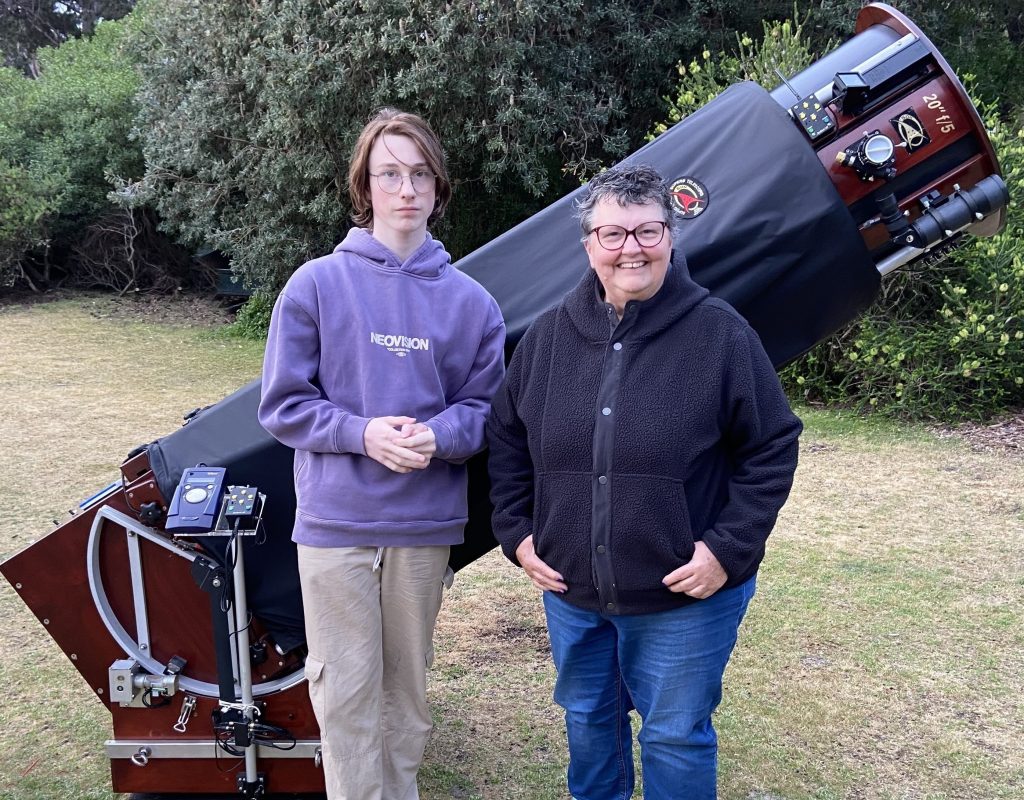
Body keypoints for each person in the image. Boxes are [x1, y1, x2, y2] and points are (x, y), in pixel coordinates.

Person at [486, 163, 801, 800]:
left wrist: (727, 550)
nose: (631, 248)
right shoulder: (548, 339)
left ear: (670, 236)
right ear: (588, 246)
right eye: (613, 234)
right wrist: (517, 532)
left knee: (674, 735)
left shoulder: (720, 335)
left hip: (681, 597)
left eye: (647, 231)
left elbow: (772, 446)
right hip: (573, 591)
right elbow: (506, 438)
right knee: (588, 722)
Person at [258, 108, 505, 800]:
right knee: (345, 691)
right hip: (337, 526)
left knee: (406, 696)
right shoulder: (314, 285)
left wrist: (440, 437)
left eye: (420, 173)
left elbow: (485, 413)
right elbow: (282, 405)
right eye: (389, 173)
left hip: (422, 529)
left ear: (438, 186)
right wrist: (361, 433)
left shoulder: (471, 303)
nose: (406, 188)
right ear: (364, 185)